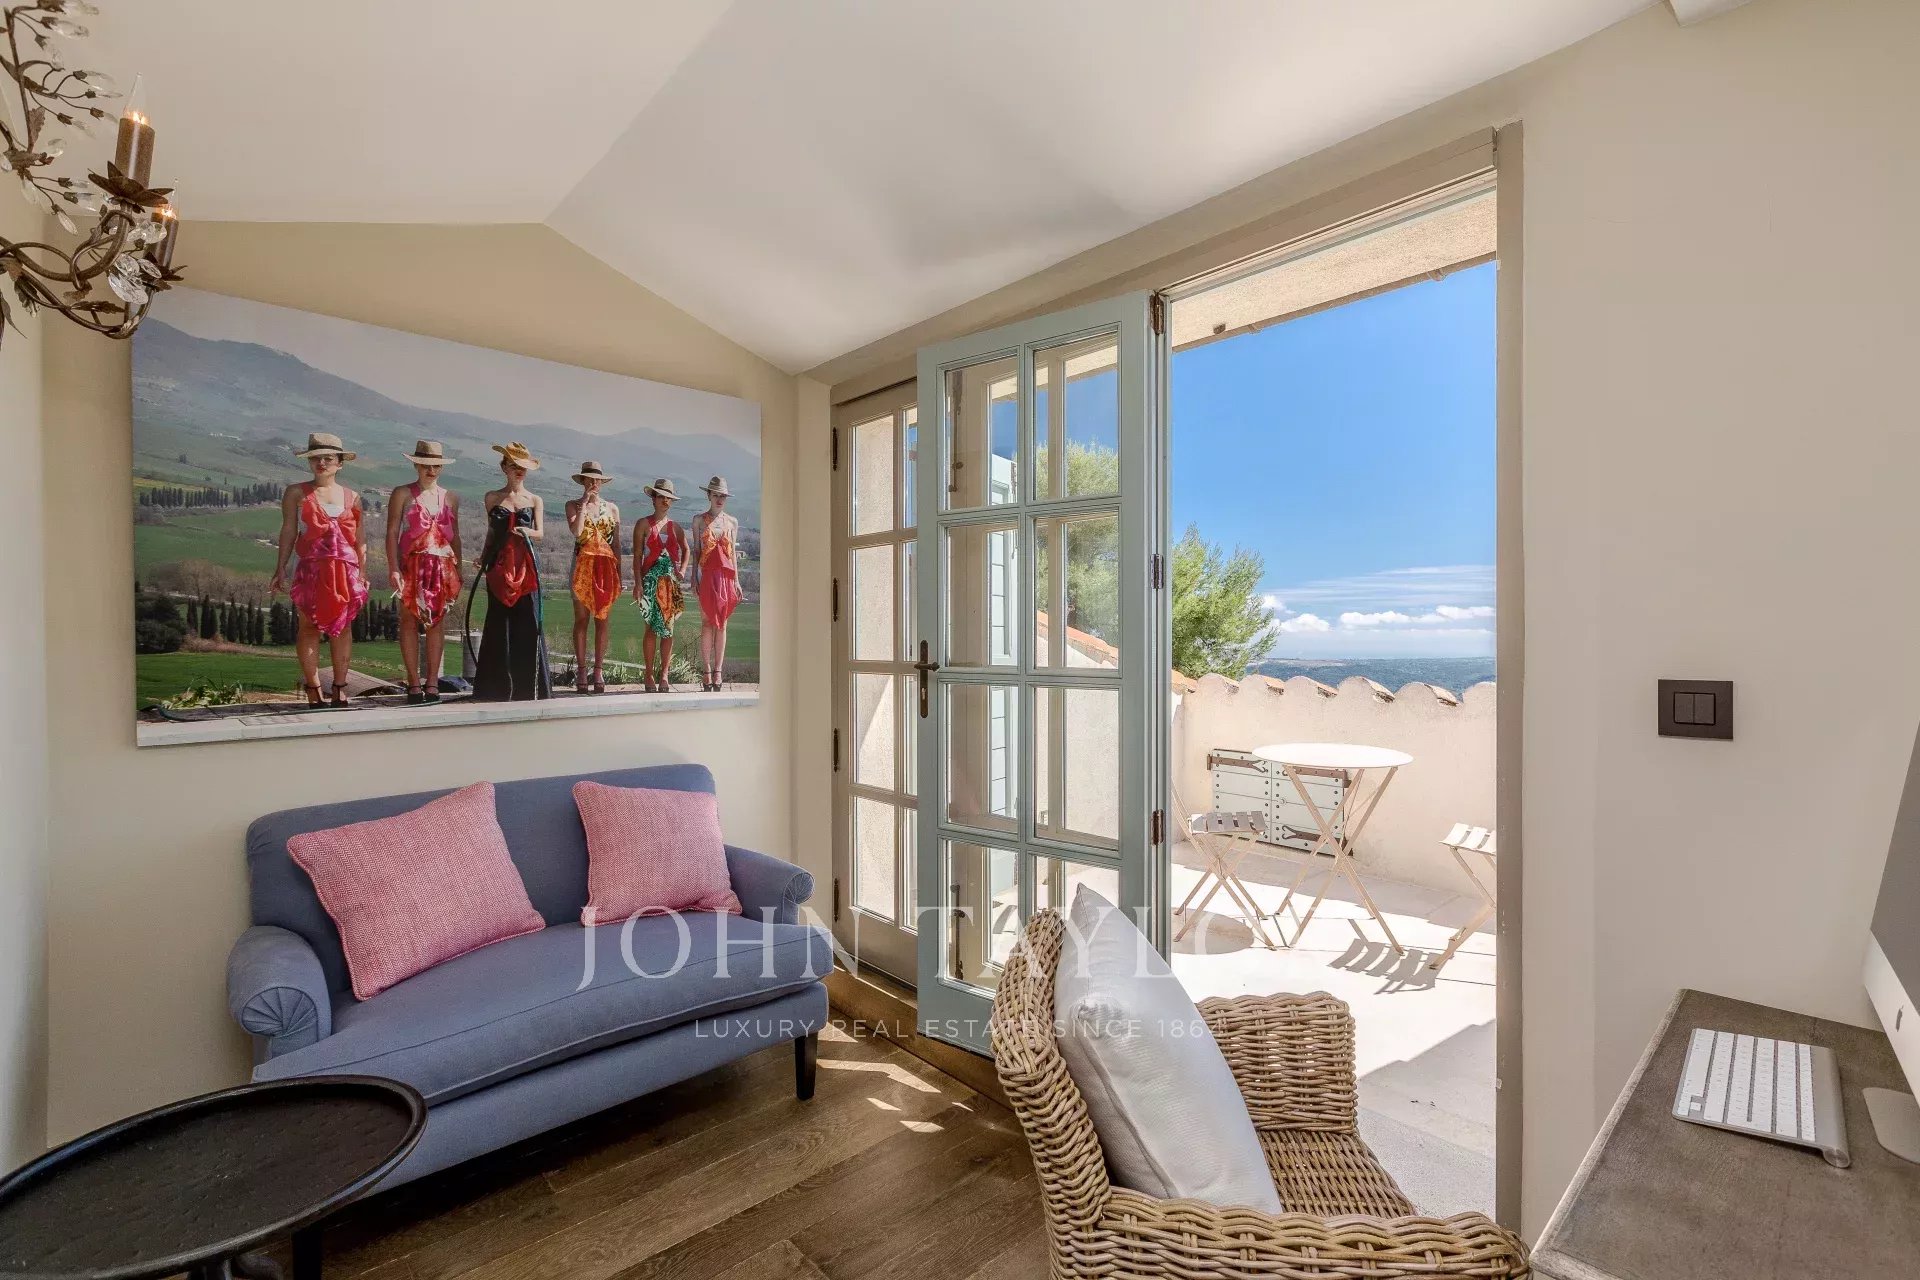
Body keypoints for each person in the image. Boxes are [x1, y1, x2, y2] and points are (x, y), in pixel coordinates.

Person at [270, 432, 370, 707]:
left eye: (328, 458)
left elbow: (359, 538)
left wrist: (363, 572)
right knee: (308, 626)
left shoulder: (353, 497)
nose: (321, 463)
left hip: (344, 569)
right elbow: (288, 531)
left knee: (343, 626)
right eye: (316, 458)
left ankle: (340, 687)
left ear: (340, 463)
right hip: (310, 568)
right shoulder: (296, 493)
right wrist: (280, 568)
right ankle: (314, 688)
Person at [385, 440, 463, 705]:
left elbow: (456, 537)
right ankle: (413, 682)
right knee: (408, 620)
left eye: (436, 465)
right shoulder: (402, 493)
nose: (431, 470)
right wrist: (393, 567)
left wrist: (459, 569)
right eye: (426, 465)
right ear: (416, 465)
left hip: (442, 566)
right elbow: (392, 532)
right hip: (411, 563)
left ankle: (432, 682)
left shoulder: (451, 497)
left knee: (436, 622)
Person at [473, 441, 551, 701]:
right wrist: (483, 557)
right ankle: (495, 690)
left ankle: (529, 690)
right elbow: (491, 533)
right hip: (498, 567)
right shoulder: (492, 498)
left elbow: (540, 533)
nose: (519, 471)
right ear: (504, 467)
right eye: (514, 465)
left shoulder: (535, 500)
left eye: (523, 467)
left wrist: (528, 531)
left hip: (526, 568)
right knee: (498, 625)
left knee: (528, 624)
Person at [565, 461, 621, 694]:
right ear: (583, 481)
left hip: (605, 567)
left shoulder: (612, 508)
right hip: (582, 565)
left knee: (602, 619)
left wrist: (619, 573)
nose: (593, 483)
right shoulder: (572, 505)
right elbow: (577, 532)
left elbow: (616, 544)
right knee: (581, 619)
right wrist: (584, 504)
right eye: (589, 479)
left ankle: (598, 670)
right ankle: (581, 670)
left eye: (597, 479)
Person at [630, 477, 688, 693]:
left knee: (668, 630)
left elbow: (687, 550)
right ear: (653, 499)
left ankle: (664, 675)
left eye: (668, 498)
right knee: (650, 628)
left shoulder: (676, 527)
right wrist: (638, 584)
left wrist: (682, 570)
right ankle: (648, 674)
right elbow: (637, 556)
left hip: (670, 584)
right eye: (661, 497)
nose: (665, 501)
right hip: (649, 582)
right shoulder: (643, 524)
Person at [689, 475, 743, 692]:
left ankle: (718, 671)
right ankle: (706, 670)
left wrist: (737, 581)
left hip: (725, 578)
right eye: (716, 495)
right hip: (705, 575)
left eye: (723, 496)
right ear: (709, 496)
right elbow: (696, 551)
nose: (720, 499)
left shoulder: (732, 522)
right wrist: (693, 577)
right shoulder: (698, 520)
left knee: (722, 624)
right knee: (706, 623)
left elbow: (732, 556)